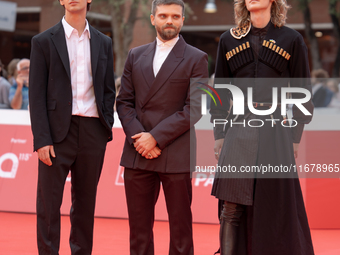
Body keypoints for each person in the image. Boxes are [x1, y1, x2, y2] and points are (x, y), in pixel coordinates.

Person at [210, 0, 315, 254]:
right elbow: (221, 92)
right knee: (231, 206)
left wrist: (295, 137)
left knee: (276, 205)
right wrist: (219, 134)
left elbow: (303, 92)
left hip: (276, 129)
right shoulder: (228, 40)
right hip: (237, 126)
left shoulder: (291, 39)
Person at [116, 0, 208, 254]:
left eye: (175, 16)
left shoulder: (197, 58)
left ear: (182, 21)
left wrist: (155, 137)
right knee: (139, 230)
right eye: (164, 15)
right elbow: (124, 102)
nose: (170, 20)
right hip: (138, 153)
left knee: (180, 229)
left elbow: (195, 108)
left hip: (176, 152)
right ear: (152, 18)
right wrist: (139, 138)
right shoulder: (135, 55)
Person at [29, 0, 115, 254]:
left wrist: (104, 128)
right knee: (48, 205)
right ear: (62, 0)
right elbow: (36, 95)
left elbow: (108, 89)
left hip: (92, 132)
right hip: (55, 135)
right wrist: (42, 139)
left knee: (85, 205)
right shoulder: (43, 41)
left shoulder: (104, 42)